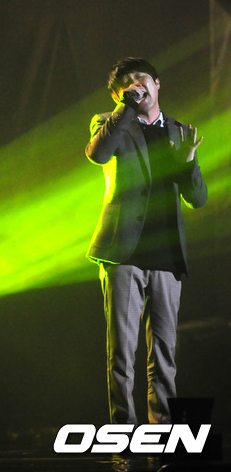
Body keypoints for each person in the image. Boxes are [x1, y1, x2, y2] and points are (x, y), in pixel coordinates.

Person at [85, 57, 207, 429]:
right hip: (123, 252)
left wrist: (187, 163)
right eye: (125, 83)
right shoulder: (108, 122)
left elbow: (198, 198)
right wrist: (125, 108)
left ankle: (162, 432)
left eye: (140, 78)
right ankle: (122, 432)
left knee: (165, 356)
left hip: (167, 256)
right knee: (122, 354)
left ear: (157, 83)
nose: (134, 84)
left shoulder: (180, 131)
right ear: (117, 95)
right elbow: (98, 154)